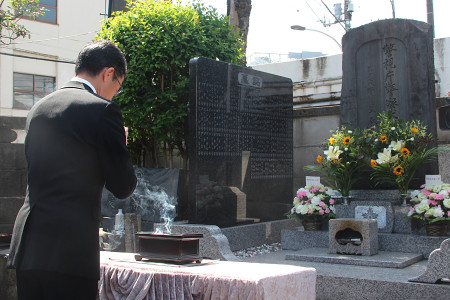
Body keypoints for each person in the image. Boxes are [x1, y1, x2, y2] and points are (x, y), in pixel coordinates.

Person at [7, 40, 137, 300]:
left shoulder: (38, 108)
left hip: (29, 247)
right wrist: (120, 144)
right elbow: (122, 185)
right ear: (108, 73)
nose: (114, 93)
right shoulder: (102, 111)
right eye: (118, 87)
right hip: (70, 250)